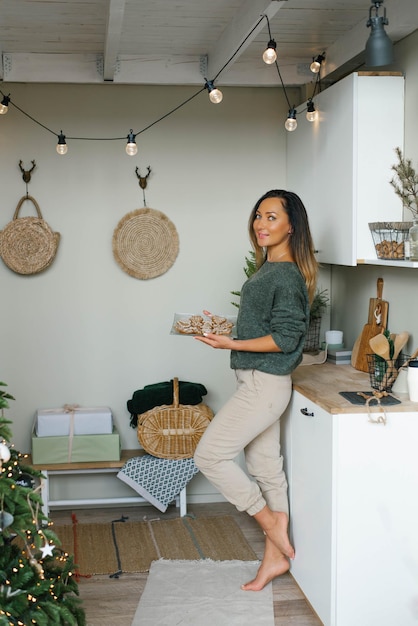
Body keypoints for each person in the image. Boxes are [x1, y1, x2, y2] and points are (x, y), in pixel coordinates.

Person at [194, 188, 318, 591]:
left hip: (264, 385)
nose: (261, 225)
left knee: (208, 456)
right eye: (258, 216)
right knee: (266, 469)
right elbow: (265, 327)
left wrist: (231, 344)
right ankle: (274, 560)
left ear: (291, 227)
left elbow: (284, 338)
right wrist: (227, 330)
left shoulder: (284, 273)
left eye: (271, 217)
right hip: (257, 380)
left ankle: (270, 523)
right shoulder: (270, 269)